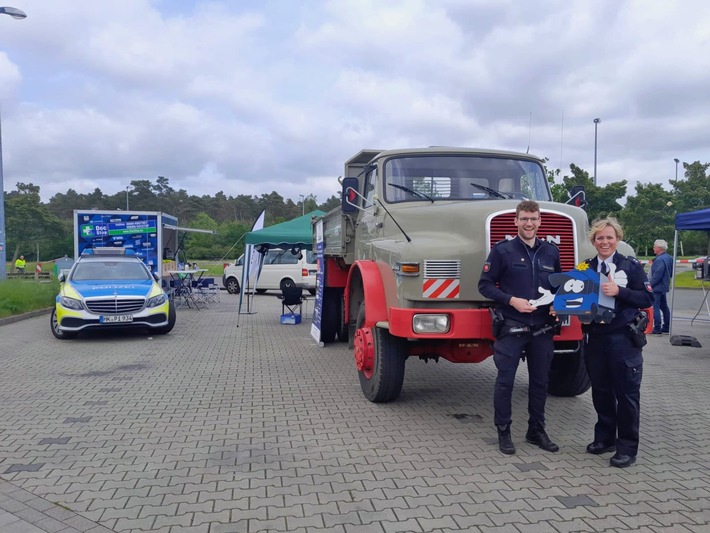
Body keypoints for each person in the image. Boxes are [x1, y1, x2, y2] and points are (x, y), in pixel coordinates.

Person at [479, 200, 561, 455]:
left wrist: (558, 304)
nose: (529, 223)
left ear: (539, 221)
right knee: (506, 382)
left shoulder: (550, 252)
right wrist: (511, 300)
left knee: (539, 382)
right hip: (512, 326)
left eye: (533, 219)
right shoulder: (502, 251)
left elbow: (558, 286)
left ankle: (536, 430)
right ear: (515, 221)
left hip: (542, 328)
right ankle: (504, 431)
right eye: (524, 218)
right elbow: (485, 285)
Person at [582, 217, 653, 468]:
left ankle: (627, 447)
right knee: (601, 391)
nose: (604, 241)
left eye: (609, 237)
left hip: (622, 339)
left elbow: (648, 297)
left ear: (618, 239)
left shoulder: (630, 266)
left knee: (626, 394)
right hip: (595, 339)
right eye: (600, 237)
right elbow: (572, 295)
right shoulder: (584, 267)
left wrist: (619, 291)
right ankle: (605, 439)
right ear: (593, 240)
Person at [649, 239, 673, 334]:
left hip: (657, 287)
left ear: (659, 248)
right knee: (664, 306)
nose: (653, 248)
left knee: (655, 306)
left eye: (654, 246)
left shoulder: (659, 260)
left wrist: (649, 286)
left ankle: (657, 327)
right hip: (664, 286)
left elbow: (657, 275)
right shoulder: (669, 258)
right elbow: (670, 272)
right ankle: (666, 326)